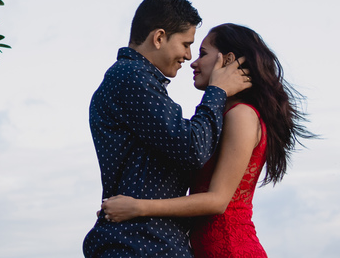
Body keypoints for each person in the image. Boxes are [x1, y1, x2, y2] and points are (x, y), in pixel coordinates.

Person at [100, 24, 313, 257]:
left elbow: (217, 201)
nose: (193, 61)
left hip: (230, 248)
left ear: (228, 59)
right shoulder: (222, 116)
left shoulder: (241, 115)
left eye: (203, 53)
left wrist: (138, 207)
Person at [83, 0, 252, 258]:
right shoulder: (131, 78)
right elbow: (192, 148)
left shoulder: (139, 80)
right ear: (159, 37)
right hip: (139, 244)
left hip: (147, 241)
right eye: (185, 44)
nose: (188, 56)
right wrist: (217, 92)